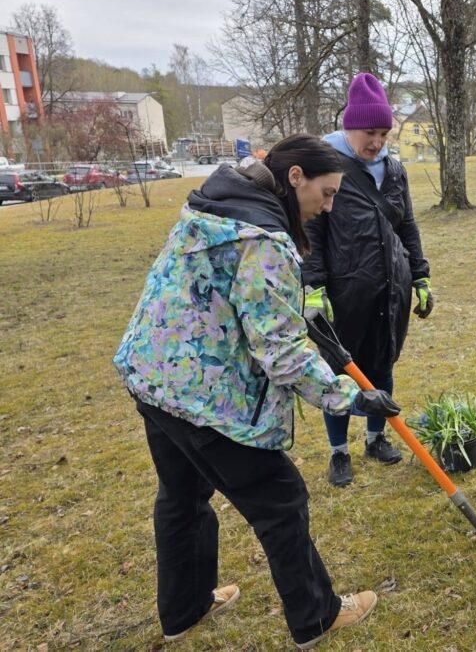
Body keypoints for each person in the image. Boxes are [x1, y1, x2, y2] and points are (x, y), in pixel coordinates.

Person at [113, 135, 400, 648]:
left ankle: (184, 610)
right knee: (281, 499)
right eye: (327, 192)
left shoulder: (215, 202)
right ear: (295, 178)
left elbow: (225, 298)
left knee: (181, 495)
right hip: (202, 396)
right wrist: (352, 398)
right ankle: (317, 615)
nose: (327, 206)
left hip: (154, 372)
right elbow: (280, 352)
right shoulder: (262, 238)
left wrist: (294, 311)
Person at [304, 72, 432, 488]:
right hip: (345, 290)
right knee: (341, 371)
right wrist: (315, 285)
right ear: (348, 127)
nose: (376, 142)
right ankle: (339, 452)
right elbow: (313, 233)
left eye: (383, 133)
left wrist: (421, 276)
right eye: (369, 133)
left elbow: (407, 226)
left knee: (383, 362)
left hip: (391, 288)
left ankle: (376, 439)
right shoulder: (328, 166)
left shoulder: (394, 170)